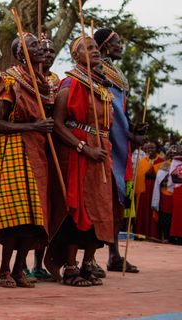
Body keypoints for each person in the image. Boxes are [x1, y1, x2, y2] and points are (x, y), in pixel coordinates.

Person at [0, 33, 53, 289]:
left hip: (36, 151)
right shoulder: (10, 80)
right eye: (33, 46)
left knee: (34, 216)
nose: (41, 48)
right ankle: (4, 270)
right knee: (15, 216)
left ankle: (21, 269)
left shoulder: (42, 82)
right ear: (20, 54)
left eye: (40, 45)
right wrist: (34, 125)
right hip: (12, 149)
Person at [47, 35, 114, 287]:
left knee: (100, 208)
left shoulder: (103, 86)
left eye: (96, 47)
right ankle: (71, 266)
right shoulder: (70, 83)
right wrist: (84, 148)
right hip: (78, 153)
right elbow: (58, 124)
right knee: (79, 208)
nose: (95, 50)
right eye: (88, 48)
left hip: (101, 153)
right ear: (76, 55)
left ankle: (89, 263)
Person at [94, 28, 146, 274]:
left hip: (120, 140)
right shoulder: (98, 71)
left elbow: (120, 109)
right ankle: (91, 256)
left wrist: (132, 129)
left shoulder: (117, 74)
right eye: (117, 43)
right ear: (104, 46)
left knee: (117, 202)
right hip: (105, 140)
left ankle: (114, 255)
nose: (121, 46)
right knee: (103, 199)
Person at [22, 34, 59, 283]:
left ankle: (39, 263)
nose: (47, 54)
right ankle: (20, 263)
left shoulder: (56, 82)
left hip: (52, 144)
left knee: (47, 205)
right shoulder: (23, 78)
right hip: (30, 143)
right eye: (43, 50)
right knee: (29, 204)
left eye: (51, 51)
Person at [134, 142, 164, 240]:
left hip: (155, 190)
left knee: (153, 211)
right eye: (149, 147)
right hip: (144, 190)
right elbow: (138, 176)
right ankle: (141, 233)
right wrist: (145, 174)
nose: (150, 149)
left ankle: (153, 234)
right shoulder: (143, 161)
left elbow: (163, 177)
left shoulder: (162, 161)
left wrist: (154, 174)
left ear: (157, 149)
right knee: (143, 210)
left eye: (153, 147)